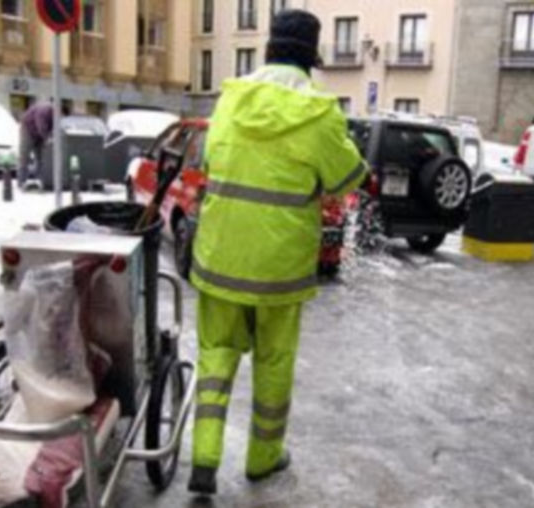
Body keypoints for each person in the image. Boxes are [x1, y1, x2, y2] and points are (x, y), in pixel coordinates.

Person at [187, 9, 368, 495]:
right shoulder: (320, 113)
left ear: (268, 49)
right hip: (279, 270)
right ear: (312, 59)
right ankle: (262, 457)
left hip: (220, 256)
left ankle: (203, 457)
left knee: (216, 354)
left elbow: (208, 162)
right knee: (273, 361)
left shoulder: (230, 99)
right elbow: (348, 180)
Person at [17, 102, 54, 189]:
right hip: (27, 130)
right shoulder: (44, 110)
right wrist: (47, 138)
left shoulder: (54, 116)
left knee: (40, 157)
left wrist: (50, 137)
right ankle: (21, 181)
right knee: (24, 156)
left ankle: (40, 180)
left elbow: (53, 128)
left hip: (39, 134)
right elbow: (40, 125)